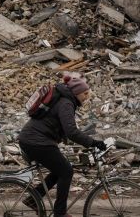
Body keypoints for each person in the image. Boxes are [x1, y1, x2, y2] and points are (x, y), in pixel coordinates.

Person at [17, 75, 107, 217]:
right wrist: (93, 142)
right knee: (66, 171)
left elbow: (62, 128)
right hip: (36, 142)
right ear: (76, 92)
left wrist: (81, 142)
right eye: (85, 93)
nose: (87, 97)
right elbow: (71, 131)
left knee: (59, 170)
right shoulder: (66, 103)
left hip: (33, 140)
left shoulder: (64, 100)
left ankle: (33, 199)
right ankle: (60, 213)